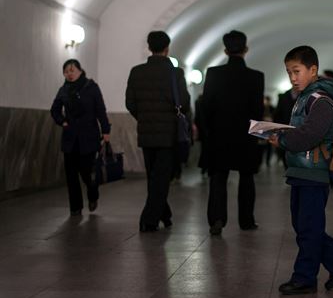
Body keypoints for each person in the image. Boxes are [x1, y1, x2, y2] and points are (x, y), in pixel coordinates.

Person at [269, 45, 333, 295]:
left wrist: (283, 140)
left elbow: (310, 135)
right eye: (288, 72)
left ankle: (305, 277)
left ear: (313, 70)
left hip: (313, 173)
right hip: (301, 171)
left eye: (297, 71)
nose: (292, 78)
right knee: (304, 226)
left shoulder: (321, 101)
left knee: (308, 227)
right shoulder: (305, 98)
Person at [125, 31, 190, 232]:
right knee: (161, 178)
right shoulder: (175, 73)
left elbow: (130, 103)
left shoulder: (137, 71)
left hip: (146, 132)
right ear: (167, 48)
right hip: (168, 134)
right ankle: (149, 219)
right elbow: (185, 103)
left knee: (154, 177)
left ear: (149, 47)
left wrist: (144, 117)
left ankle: (165, 213)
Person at [202, 30, 264, 235]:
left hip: (219, 136)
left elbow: (206, 107)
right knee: (247, 179)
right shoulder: (256, 77)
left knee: (218, 178)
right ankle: (246, 220)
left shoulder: (213, 73)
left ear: (225, 50)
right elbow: (257, 111)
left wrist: (207, 133)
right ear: (245, 49)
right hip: (246, 136)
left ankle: (217, 219)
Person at [51, 59, 111, 216]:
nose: (69, 74)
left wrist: (106, 131)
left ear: (80, 70)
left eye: (72, 70)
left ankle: (93, 194)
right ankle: (75, 208)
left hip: (88, 137)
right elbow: (55, 110)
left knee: (86, 172)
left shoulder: (91, 88)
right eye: (66, 71)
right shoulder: (63, 90)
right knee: (71, 175)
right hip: (70, 138)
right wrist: (62, 121)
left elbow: (100, 110)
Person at [273, 88, 298, 168]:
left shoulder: (305, 94)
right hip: (285, 133)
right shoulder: (284, 96)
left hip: (299, 133)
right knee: (286, 160)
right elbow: (277, 115)